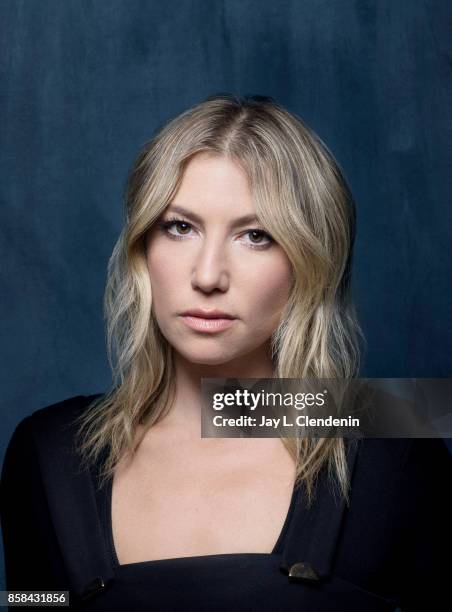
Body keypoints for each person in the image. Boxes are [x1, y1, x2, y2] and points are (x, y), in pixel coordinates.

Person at [1, 94, 451, 611]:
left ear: (311, 259)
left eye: (255, 236)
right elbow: (31, 602)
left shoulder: (397, 442)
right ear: (142, 246)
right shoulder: (47, 451)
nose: (208, 275)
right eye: (180, 227)